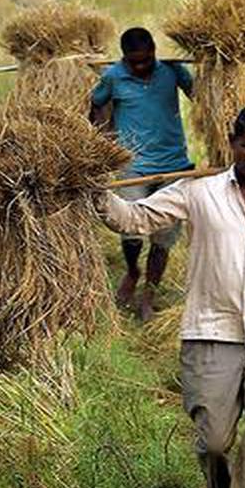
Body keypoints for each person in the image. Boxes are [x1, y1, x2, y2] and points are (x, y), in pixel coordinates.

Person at [99, 104, 245, 488]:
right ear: (232, 142)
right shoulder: (198, 189)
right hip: (212, 333)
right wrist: (95, 192)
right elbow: (135, 219)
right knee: (215, 442)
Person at [90, 27, 195, 322]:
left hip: (174, 165)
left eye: (146, 60)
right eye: (133, 62)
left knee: (163, 237)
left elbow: (201, 97)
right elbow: (96, 105)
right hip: (133, 167)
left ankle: (149, 293)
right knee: (130, 228)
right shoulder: (112, 76)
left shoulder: (174, 71)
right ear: (124, 58)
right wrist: (104, 141)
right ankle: (133, 270)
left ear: (154, 53)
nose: (140, 67)